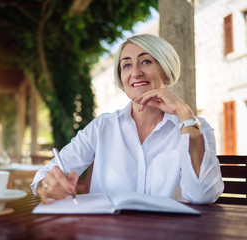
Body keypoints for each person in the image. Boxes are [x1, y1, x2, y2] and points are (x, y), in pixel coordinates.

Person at [30, 34, 224, 204]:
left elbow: (202, 195)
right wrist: (46, 186)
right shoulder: (102, 127)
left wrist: (184, 112)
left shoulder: (195, 127)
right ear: (121, 77)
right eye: (127, 65)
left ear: (166, 69)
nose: (135, 72)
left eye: (146, 61)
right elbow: (42, 176)